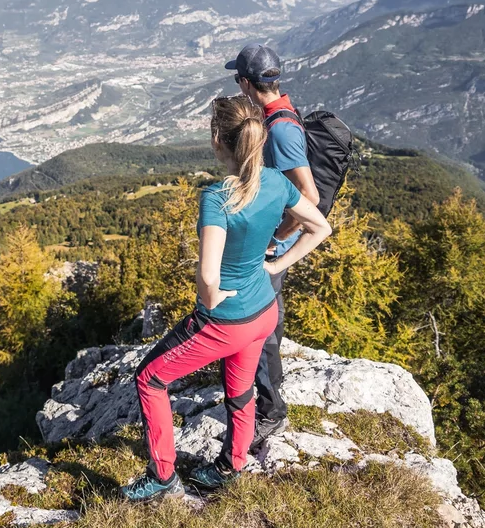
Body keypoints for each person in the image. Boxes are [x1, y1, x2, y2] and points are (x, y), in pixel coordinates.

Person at [121, 95, 332, 502]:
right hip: (263, 312)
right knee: (239, 391)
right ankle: (232, 465)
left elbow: (208, 273)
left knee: (150, 378)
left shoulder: (217, 198)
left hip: (226, 319)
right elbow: (319, 227)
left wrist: (211, 300)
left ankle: (162, 476)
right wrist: (275, 266)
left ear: (218, 139)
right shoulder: (277, 182)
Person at [226, 43, 320, 449]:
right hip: (274, 243)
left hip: (273, 245)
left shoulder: (279, 127)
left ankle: (270, 410)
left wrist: (274, 240)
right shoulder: (279, 111)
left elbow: (309, 196)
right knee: (269, 322)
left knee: (257, 329)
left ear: (247, 83)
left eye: (237, 80)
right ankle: (271, 392)